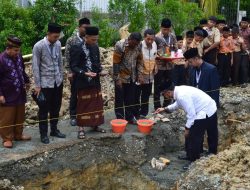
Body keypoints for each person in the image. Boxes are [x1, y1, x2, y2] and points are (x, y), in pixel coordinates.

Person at [155, 85, 218, 163]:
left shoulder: (182, 95)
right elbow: (177, 104)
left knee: (193, 136)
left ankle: (194, 159)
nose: (164, 97)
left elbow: (192, 115)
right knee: (203, 132)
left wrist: (187, 128)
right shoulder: (178, 91)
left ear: (168, 92)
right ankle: (197, 152)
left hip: (206, 109)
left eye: (163, 95)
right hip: (207, 106)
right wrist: (165, 108)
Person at [32, 23, 66, 144]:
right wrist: (37, 85)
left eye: (58, 36)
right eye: (55, 36)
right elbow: (35, 66)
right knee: (43, 110)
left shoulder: (58, 44)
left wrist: (61, 77)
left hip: (57, 82)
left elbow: (60, 62)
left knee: (56, 108)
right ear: (48, 34)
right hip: (45, 84)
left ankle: (54, 130)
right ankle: (43, 134)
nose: (56, 39)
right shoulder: (38, 46)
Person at [70, 26, 107, 139]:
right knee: (83, 104)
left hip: (95, 81)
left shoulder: (95, 47)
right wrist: (84, 73)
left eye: (96, 39)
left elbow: (97, 63)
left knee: (96, 104)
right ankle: (81, 128)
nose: (95, 42)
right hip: (82, 81)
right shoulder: (76, 47)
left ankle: (95, 125)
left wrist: (101, 71)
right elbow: (74, 66)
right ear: (86, 37)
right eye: (93, 39)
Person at [0, 36, 31, 148]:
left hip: (20, 91)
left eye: (18, 50)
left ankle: (18, 134)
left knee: (20, 115)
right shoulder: (1, 59)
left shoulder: (18, 57)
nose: (18, 53)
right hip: (7, 94)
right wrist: (0, 94)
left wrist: (27, 81)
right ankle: (7, 138)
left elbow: (22, 70)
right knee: (7, 117)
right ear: (8, 48)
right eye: (15, 50)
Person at [65, 18, 91, 126]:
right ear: (79, 27)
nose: (86, 30)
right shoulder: (71, 40)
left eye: (88, 28)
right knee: (74, 94)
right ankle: (73, 116)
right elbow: (67, 57)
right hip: (75, 72)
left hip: (87, 73)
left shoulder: (89, 39)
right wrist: (69, 72)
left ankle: (85, 114)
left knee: (86, 94)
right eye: (85, 27)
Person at [113, 32, 143, 124]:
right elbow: (116, 63)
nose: (135, 46)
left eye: (137, 44)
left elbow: (140, 60)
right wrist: (117, 78)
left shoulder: (139, 45)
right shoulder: (120, 45)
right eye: (133, 43)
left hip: (132, 76)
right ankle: (120, 119)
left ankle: (129, 117)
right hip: (121, 76)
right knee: (119, 99)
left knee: (130, 98)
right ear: (129, 39)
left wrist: (140, 74)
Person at [154, 18, 177, 110]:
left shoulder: (172, 36)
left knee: (169, 85)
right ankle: (157, 106)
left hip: (170, 65)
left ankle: (166, 105)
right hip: (159, 65)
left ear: (170, 28)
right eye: (164, 29)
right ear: (161, 27)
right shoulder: (156, 37)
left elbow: (176, 48)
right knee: (157, 86)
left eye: (168, 29)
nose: (166, 31)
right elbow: (153, 52)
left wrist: (172, 48)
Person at [134, 29, 157, 119]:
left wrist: (155, 66)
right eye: (148, 39)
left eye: (152, 39)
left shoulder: (154, 44)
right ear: (144, 38)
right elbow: (135, 61)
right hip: (139, 76)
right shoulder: (139, 45)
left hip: (150, 75)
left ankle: (143, 113)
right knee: (136, 95)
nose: (150, 41)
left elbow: (155, 57)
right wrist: (139, 75)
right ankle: (135, 114)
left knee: (146, 95)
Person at [239, 17, 250, 85]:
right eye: (242, 22)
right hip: (238, 50)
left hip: (247, 51)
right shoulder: (239, 30)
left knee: (244, 66)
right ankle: (240, 80)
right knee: (239, 66)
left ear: (248, 23)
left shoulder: (249, 31)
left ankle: (244, 81)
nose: (243, 24)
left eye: (245, 23)